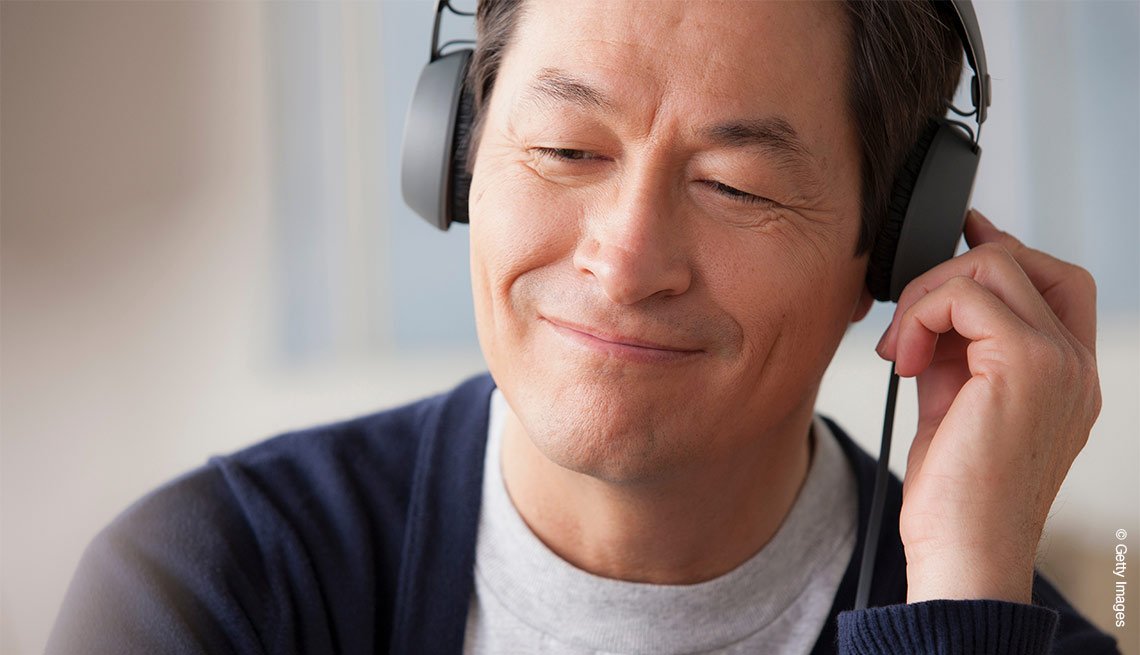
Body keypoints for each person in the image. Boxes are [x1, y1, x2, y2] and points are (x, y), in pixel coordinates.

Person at [49, 1, 1119, 653]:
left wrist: (966, 600)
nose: (626, 256)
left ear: (893, 250)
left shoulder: (998, 627)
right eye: (565, 149)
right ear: (459, 154)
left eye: (737, 185)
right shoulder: (214, 582)